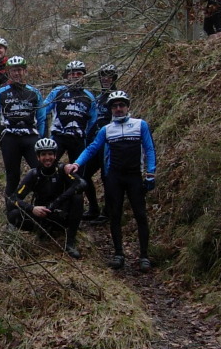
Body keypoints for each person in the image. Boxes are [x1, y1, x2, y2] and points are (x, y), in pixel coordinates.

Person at [65, 91, 156, 272]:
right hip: (114, 177)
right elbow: (92, 149)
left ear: (127, 107)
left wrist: (151, 173)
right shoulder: (106, 129)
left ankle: (144, 256)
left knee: (140, 215)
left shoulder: (140, 125)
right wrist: (77, 163)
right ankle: (118, 254)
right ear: (111, 109)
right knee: (115, 215)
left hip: (134, 176)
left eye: (121, 105)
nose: (119, 109)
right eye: (115, 106)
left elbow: (149, 149)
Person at [7, 138, 86, 259]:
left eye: (50, 154)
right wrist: (32, 208)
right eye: (43, 154)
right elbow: (13, 199)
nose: (47, 158)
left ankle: (70, 242)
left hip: (60, 215)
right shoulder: (33, 174)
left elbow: (81, 183)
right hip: (41, 215)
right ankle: (42, 231)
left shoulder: (62, 170)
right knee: (13, 214)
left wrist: (57, 202)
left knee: (78, 198)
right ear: (38, 157)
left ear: (55, 155)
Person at [42, 60, 97, 214]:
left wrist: (88, 139)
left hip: (78, 139)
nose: (75, 76)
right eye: (72, 73)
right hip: (58, 137)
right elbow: (44, 111)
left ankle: (92, 208)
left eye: (78, 73)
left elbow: (93, 121)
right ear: (67, 76)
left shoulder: (89, 97)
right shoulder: (58, 91)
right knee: (49, 170)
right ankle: (47, 204)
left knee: (82, 175)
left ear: (83, 76)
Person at [0, 56, 45, 197]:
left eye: (19, 70)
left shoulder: (34, 92)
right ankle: (12, 211)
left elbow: (42, 118)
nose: (17, 73)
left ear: (24, 71)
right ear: (8, 72)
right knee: (13, 177)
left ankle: (41, 207)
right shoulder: (1, 93)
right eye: (13, 70)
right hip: (10, 138)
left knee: (41, 173)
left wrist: (43, 139)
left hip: (30, 136)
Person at [81, 63, 119, 222]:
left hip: (110, 145)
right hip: (95, 143)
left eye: (109, 75)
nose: (105, 79)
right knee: (84, 174)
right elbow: (92, 122)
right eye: (103, 75)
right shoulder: (97, 99)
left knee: (107, 177)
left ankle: (108, 212)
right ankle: (94, 208)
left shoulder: (117, 97)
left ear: (115, 78)